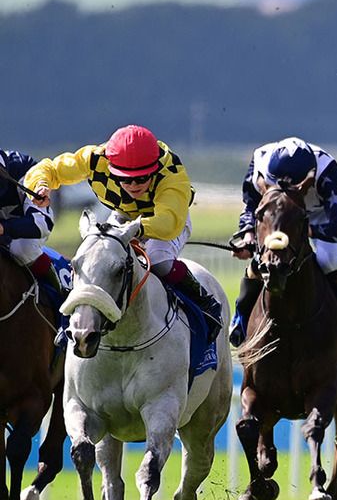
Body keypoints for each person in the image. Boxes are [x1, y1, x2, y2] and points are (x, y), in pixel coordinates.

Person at [25, 125, 223, 341]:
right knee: (95, 259)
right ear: (110, 167)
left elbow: (168, 222)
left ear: (155, 168)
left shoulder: (171, 173)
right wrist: (41, 185)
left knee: (158, 261)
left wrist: (136, 231)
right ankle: (73, 320)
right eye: (125, 179)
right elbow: (49, 168)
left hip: (166, 219)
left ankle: (204, 304)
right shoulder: (94, 158)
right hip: (123, 215)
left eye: (141, 178)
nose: (133, 185)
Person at [228, 136, 337, 356]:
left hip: (319, 218)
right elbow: (251, 205)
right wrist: (248, 236)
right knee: (261, 262)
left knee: (329, 261)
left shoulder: (328, 171)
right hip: (278, 217)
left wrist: (306, 231)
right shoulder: (260, 160)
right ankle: (240, 318)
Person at [0, 147, 61, 295]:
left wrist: (3, 228)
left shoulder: (22, 168)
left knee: (22, 249)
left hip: (25, 232)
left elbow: (42, 225)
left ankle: (62, 293)